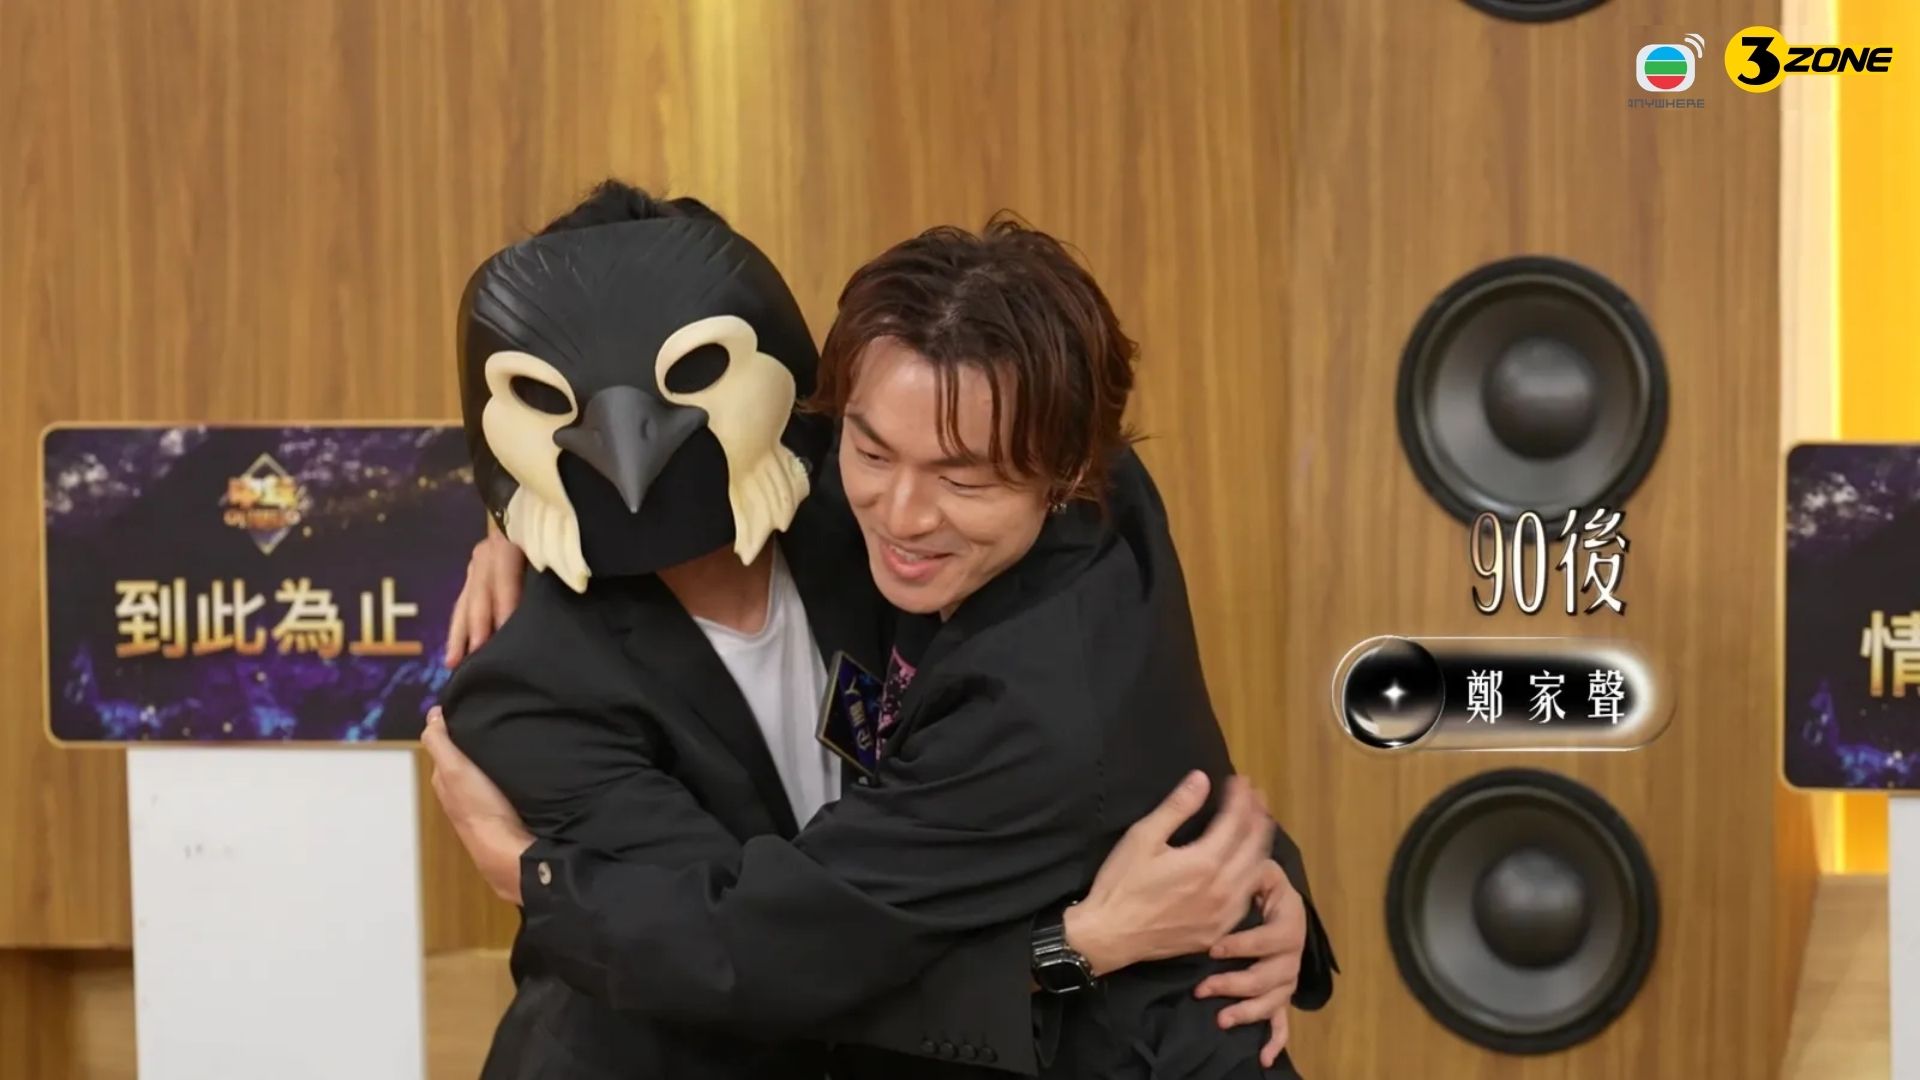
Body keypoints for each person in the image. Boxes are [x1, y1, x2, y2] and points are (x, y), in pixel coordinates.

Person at [429, 185, 1335, 1077]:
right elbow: (751, 969)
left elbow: (776, 948)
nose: (904, 511)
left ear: (1065, 474)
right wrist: (511, 519)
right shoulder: (534, 683)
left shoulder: (1013, 652)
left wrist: (1247, 884)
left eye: (964, 479)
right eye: (870, 449)